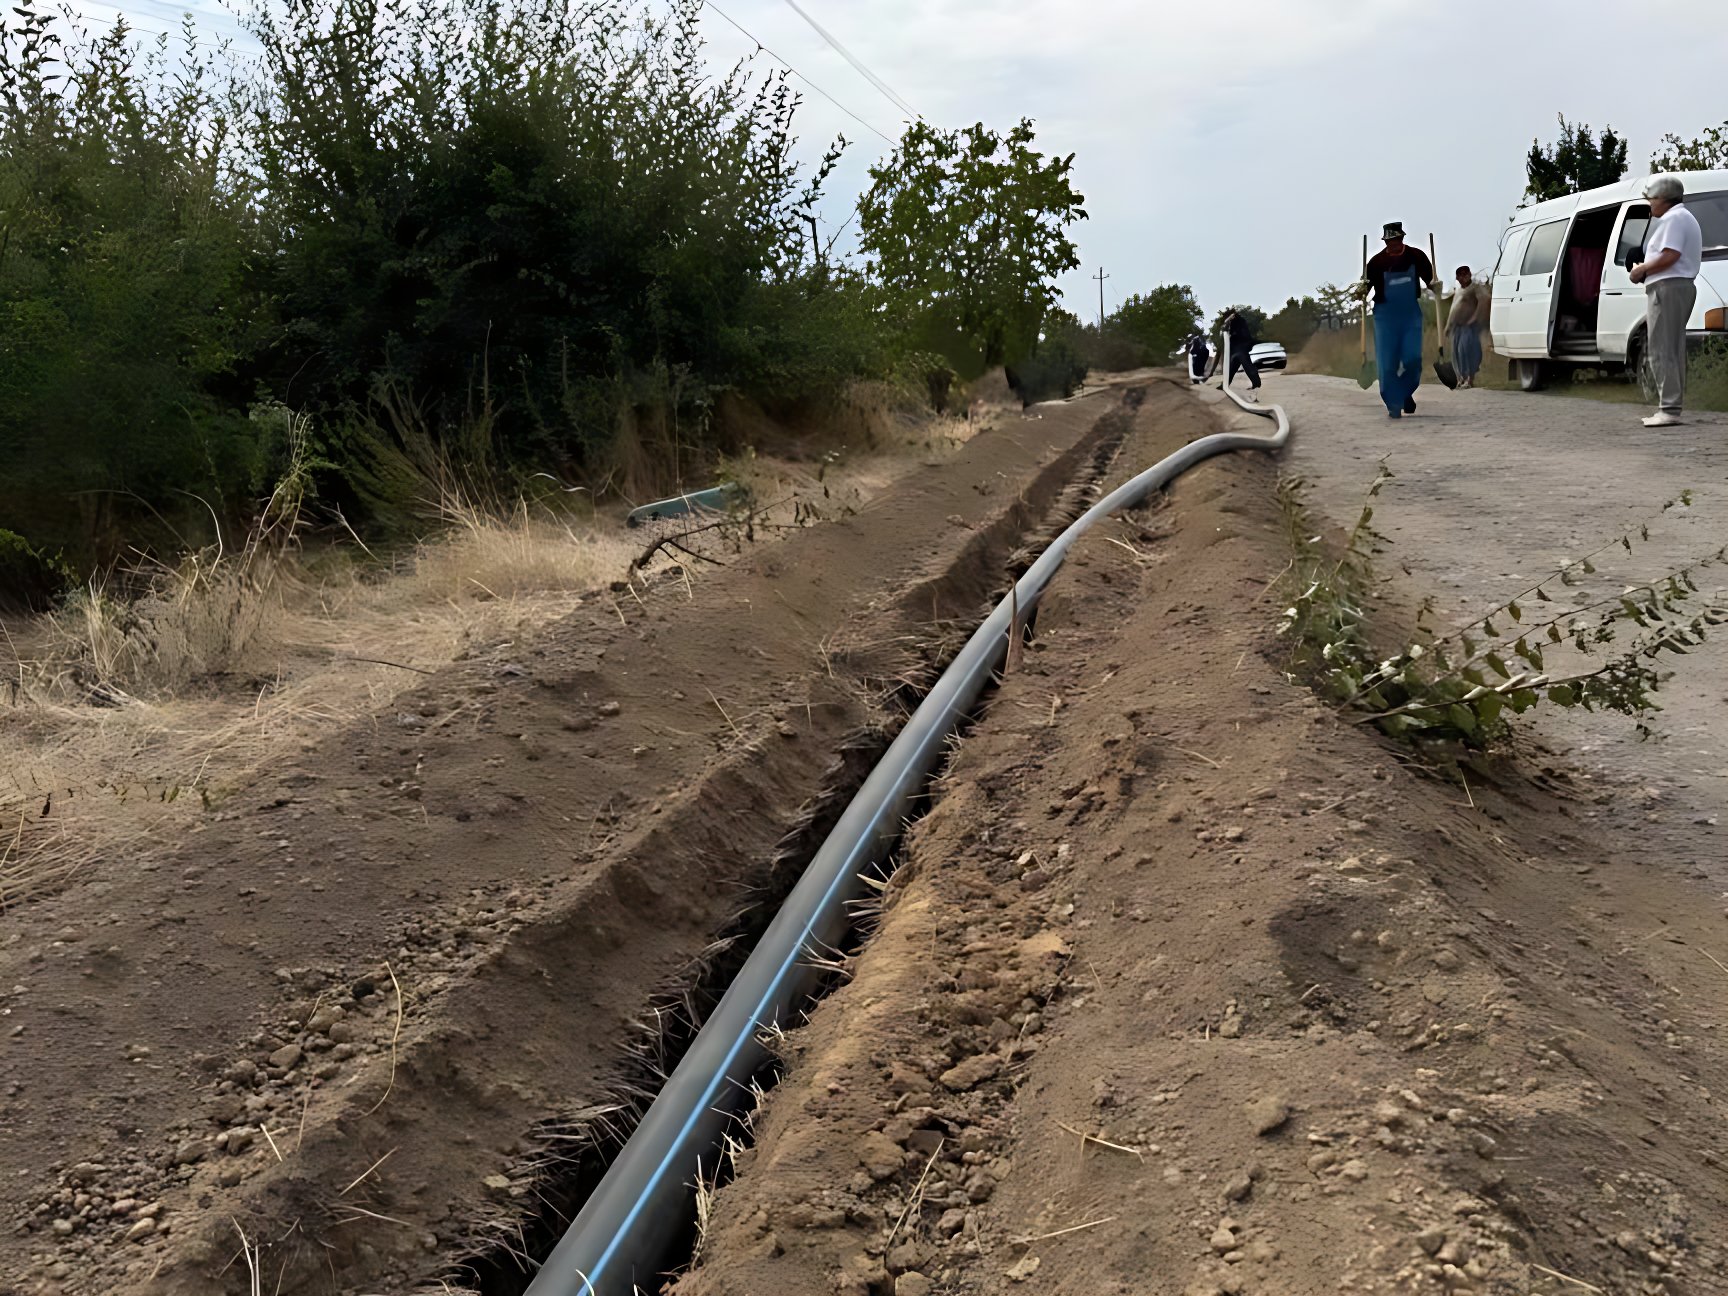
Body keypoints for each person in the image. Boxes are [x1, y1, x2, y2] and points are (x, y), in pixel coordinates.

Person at [1628, 174, 1703, 427]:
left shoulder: (1675, 218)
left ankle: (1669, 409)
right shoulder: (1682, 218)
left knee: (1662, 348)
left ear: (1662, 198)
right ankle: (1672, 406)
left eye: (1651, 199)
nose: (1649, 204)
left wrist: (1642, 269)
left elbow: (1670, 255)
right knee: (1672, 347)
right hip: (1675, 286)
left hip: (1668, 287)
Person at [1360, 222, 1436, 418]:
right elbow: (1365, 289)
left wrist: (1435, 284)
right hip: (1385, 315)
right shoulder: (1375, 263)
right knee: (1387, 362)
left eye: (1396, 240)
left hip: (1411, 314)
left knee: (1413, 360)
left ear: (1402, 238)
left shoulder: (1416, 256)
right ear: (1385, 241)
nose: (1393, 244)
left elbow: (1431, 280)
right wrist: (1360, 292)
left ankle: (1403, 393)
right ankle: (1393, 402)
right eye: (1389, 241)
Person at [1446, 265, 1489, 389]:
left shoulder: (1476, 287)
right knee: (1456, 353)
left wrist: (1473, 318)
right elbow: (1453, 308)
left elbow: (1484, 301)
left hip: (1469, 327)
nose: (1466, 276)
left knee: (1466, 351)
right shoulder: (1459, 291)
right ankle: (1460, 379)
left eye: (1468, 273)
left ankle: (1469, 380)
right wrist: (1448, 326)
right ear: (1458, 278)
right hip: (1457, 327)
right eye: (1463, 275)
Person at [1218, 309, 1260, 402]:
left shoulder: (1239, 320)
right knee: (1233, 366)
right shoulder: (1231, 322)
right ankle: (1225, 385)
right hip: (1238, 347)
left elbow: (1242, 334)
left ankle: (1256, 384)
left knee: (1247, 365)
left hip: (1242, 345)